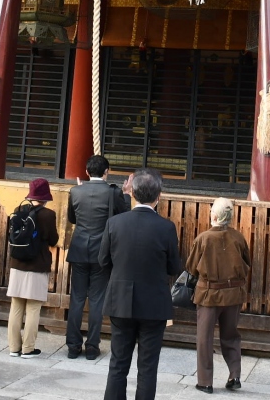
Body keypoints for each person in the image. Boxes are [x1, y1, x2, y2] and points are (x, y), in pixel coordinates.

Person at [100, 168, 183, 400]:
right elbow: (174, 267)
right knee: (147, 366)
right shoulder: (166, 227)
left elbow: (103, 261)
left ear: (133, 193)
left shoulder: (114, 223)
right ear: (159, 196)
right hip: (154, 302)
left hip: (120, 299)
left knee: (118, 362)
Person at [66, 154, 128, 360]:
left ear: (86, 171)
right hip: (102, 251)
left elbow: (72, 218)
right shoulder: (114, 192)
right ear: (106, 172)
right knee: (97, 299)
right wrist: (127, 195)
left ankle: (73, 346)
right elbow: (123, 217)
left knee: (76, 298)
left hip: (79, 249)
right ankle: (92, 347)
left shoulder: (75, 191)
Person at [186, 197, 250, 394]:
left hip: (209, 294)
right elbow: (247, 264)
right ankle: (234, 375)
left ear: (213, 215)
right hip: (233, 294)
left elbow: (191, 267)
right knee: (231, 335)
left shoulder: (203, 238)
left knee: (204, 338)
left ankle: (205, 382)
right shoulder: (238, 238)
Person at [7, 177, 60, 358]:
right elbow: (53, 240)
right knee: (33, 308)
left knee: (16, 307)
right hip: (37, 266)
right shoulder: (48, 215)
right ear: (45, 197)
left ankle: (14, 347)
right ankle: (28, 349)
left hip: (17, 265)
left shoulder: (19, 211)